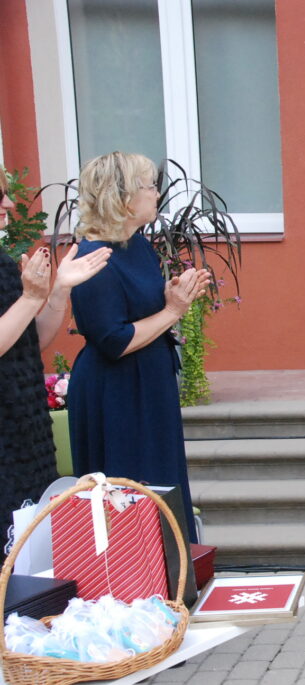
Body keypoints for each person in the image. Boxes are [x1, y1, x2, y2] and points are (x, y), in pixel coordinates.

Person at [67, 151, 211, 543]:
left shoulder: (136, 246)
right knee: (130, 490)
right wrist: (173, 310)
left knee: (161, 484)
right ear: (124, 196)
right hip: (116, 395)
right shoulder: (94, 259)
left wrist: (172, 294)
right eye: (149, 186)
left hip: (148, 386)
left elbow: (142, 305)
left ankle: (170, 571)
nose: (156, 193)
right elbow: (114, 340)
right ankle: (133, 574)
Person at [0, 169, 111, 560]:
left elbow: (30, 343)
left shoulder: (2, 263)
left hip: (24, 433)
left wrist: (59, 290)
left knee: (30, 555)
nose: (8, 203)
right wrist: (30, 297)